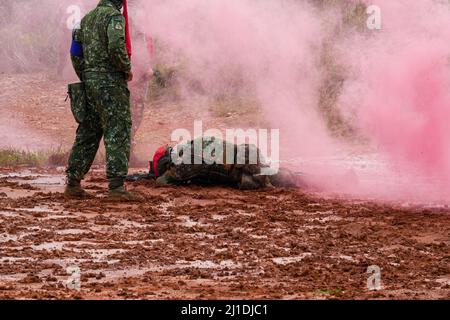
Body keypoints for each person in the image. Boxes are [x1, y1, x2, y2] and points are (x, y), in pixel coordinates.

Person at [65, 0, 138, 200]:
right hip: (111, 83)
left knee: (88, 132)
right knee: (118, 129)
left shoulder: (85, 19)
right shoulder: (114, 17)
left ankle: (73, 183)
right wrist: (125, 68)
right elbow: (115, 46)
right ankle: (116, 187)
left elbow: (75, 53)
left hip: (89, 83)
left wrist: (87, 75)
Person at [136, 136, 305, 190]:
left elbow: (165, 181)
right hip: (245, 160)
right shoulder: (189, 148)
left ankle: (319, 181)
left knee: (287, 179)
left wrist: (155, 178)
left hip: (246, 167)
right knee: (283, 176)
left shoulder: (187, 157)